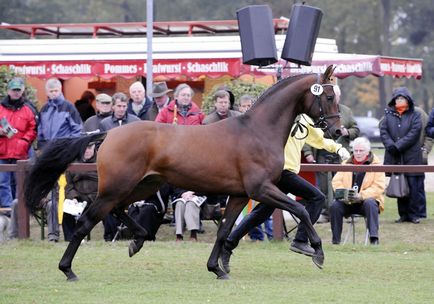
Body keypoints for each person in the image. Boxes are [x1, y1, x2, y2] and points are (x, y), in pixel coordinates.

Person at [220, 114, 350, 269]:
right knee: (317, 198)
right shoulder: (279, 116)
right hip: (281, 172)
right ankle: (300, 240)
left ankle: (227, 246)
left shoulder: (305, 121)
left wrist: (338, 148)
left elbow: (319, 140)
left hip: (288, 173)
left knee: (261, 213)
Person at [155, 83, 205, 241]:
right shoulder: (165, 112)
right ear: (176, 96)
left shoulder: (198, 114)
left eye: (188, 95)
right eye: (183, 95)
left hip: (194, 154)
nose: (186, 98)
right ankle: (179, 231)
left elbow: (205, 135)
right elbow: (157, 131)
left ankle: (193, 231)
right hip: (172, 155)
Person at [38, 77, 83, 242]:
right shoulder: (43, 110)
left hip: (65, 156)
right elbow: (41, 133)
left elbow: (77, 130)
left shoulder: (69, 108)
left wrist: (68, 150)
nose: (53, 94)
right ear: (47, 93)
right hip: (49, 158)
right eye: (51, 92)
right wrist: (43, 151)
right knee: (52, 196)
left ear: (60, 90)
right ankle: (53, 234)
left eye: (56, 91)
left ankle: (69, 234)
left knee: (66, 194)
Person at [308, 85, 360, 223]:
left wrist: (347, 132)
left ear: (339, 96)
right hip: (322, 154)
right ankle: (326, 213)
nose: (334, 98)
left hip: (341, 155)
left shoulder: (346, 111)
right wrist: (308, 152)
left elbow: (356, 129)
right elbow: (308, 131)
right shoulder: (319, 110)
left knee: (343, 184)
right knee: (324, 187)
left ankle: (344, 211)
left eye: (336, 96)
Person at [98, 92, 140, 241]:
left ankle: (129, 234)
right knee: (109, 200)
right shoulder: (105, 123)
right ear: (113, 107)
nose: (122, 109)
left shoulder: (135, 122)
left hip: (133, 168)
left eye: (124, 106)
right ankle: (109, 235)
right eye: (119, 106)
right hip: (114, 168)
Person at [380, 87, 425, 224]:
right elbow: (384, 131)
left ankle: (414, 214)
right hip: (395, 157)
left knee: (413, 186)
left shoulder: (415, 114)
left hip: (412, 156)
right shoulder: (388, 114)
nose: (400, 100)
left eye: (402, 98)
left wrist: (397, 146)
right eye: (397, 98)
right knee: (399, 184)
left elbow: (415, 132)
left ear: (407, 99)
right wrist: (390, 145)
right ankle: (403, 214)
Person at [330, 137, 385, 245]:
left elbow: (378, 187)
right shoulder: (346, 163)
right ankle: (335, 241)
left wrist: (361, 196)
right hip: (348, 202)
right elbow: (336, 182)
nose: (358, 153)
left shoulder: (377, 165)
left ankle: (374, 239)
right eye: (356, 151)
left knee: (370, 203)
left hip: (366, 202)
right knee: (335, 206)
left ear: (368, 151)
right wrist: (344, 194)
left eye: (361, 151)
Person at [0, 77, 37, 213]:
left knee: (20, 183)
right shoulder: (0, 107)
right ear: (8, 90)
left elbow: (33, 129)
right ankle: (8, 211)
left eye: (18, 90)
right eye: (13, 89)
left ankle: (19, 211)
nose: (16, 92)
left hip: (20, 152)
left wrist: (24, 142)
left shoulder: (28, 109)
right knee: (2, 183)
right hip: (2, 151)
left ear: (22, 91)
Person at [63, 142, 97, 242]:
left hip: (97, 198)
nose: (87, 150)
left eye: (90, 147)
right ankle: (70, 239)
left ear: (94, 147)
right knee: (67, 212)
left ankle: (109, 237)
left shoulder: (102, 160)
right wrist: (73, 197)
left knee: (108, 209)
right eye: (84, 147)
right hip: (79, 198)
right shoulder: (73, 163)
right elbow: (68, 185)